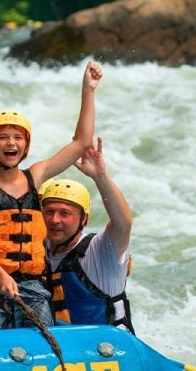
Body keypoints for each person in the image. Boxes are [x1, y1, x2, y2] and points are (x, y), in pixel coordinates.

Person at [0, 60, 102, 332]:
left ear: (26, 145)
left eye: (17, 137)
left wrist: (88, 90)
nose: (11, 143)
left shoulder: (35, 175)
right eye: (2, 137)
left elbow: (81, 142)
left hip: (33, 284)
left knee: (41, 341)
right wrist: (0, 275)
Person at [40, 138, 134, 333]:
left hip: (105, 352)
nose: (55, 220)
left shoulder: (101, 250)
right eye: (49, 212)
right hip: (56, 351)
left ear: (84, 219)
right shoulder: (33, 251)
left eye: (65, 213)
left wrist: (100, 176)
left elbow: (123, 224)